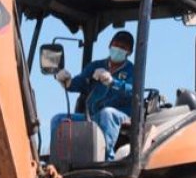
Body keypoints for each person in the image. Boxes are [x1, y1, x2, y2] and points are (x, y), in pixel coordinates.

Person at [54, 30, 136, 161]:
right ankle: (59, 161)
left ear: (129, 52)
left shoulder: (132, 70)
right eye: (116, 45)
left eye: (123, 47)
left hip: (122, 116)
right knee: (58, 120)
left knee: (107, 113)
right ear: (110, 45)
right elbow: (80, 82)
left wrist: (112, 82)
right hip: (92, 116)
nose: (118, 49)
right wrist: (67, 82)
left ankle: (104, 159)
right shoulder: (96, 66)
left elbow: (133, 91)